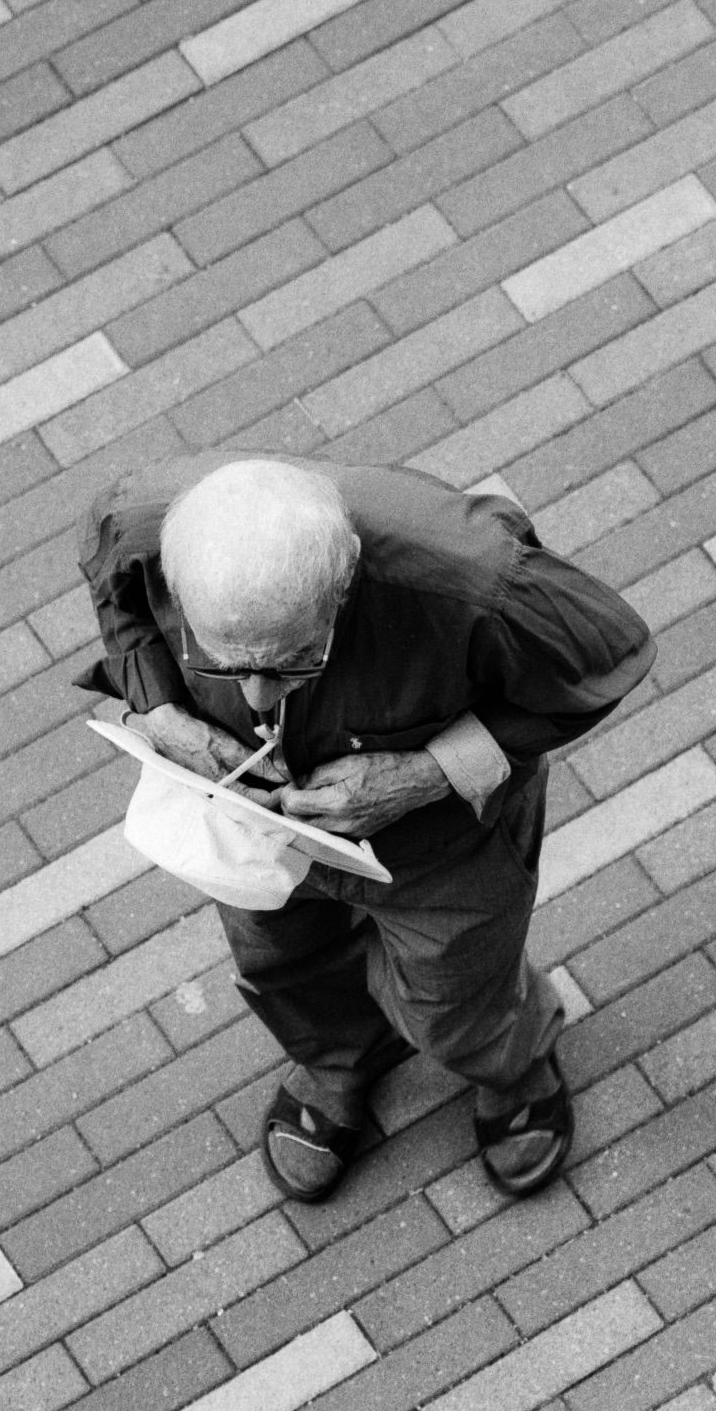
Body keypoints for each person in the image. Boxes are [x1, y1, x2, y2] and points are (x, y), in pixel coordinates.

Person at [75, 453, 655, 1204]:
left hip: (441, 841)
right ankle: (338, 1060)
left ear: (343, 580)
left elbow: (612, 656)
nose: (255, 695)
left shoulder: (475, 573)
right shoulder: (143, 518)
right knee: (279, 958)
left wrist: (427, 773)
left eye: (291, 661)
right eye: (227, 661)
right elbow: (110, 579)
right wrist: (155, 704)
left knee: (457, 990)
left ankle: (509, 1065)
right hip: (258, 829)